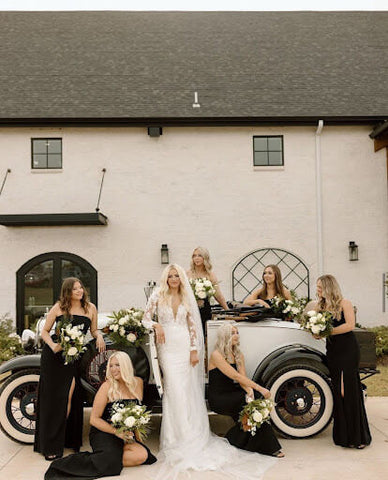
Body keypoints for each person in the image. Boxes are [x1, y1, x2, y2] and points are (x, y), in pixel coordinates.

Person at [142, 264, 277, 480]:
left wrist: (195, 349)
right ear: (166, 278)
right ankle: (176, 439)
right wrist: (156, 326)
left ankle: (191, 435)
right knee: (174, 389)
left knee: (187, 390)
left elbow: (193, 326)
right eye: (171, 276)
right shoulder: (158, 295)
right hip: (167, 348)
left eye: (177, 276)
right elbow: (145, 318)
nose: (174, 279)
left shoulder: (186, 296)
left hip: (186, 347)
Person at [45, 352, 156, 479]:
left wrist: (137, 438)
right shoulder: (107, 386)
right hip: (104, 431)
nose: (113, 369)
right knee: (109, 460)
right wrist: (116, 432)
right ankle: (79, 462)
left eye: (117, 365)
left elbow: (137, 413)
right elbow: (94, 419)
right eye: (111, 366)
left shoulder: (137, 383)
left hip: (125, 433)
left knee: (142, 455)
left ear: (126, 366)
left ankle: (109, 458)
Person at [34, 277, 106, 460]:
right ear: (68, 291)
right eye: (75, 289)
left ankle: (69, 440)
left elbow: (94, 330)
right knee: (55, 401)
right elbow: (44, 331)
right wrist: (53, 346)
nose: (79, 291)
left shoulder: (91, 308)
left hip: (74, 358)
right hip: (54, 358)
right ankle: (51, 445)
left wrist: (99, 336)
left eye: (81, 287)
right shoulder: (59, 307)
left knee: (70, 397)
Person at [311, 274, 371, 449]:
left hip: (348, 350)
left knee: (349, 389)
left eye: (320, 287)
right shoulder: (319, 306)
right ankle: (343, 436)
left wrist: (327, 332)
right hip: (333, 352)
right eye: (317, 287)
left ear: (329, 287)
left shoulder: (345, 303)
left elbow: (349, 325)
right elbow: (314, 329)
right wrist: (315, 332)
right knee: (338, 389)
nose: (318, 290)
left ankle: (358, 436)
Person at [208, 323, 284, 457]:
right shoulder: (216, 355)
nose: (236, 335)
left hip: (233, 391)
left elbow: (242, 378)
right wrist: (258, 388)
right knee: (253, 404)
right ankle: (269, 448)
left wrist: (250, 391)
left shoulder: (238, 354)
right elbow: (234, 375)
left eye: (237, 332)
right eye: (232, 333)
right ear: (224, 336)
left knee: (256, 400)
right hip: (219, 397)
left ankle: (235, 438)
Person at [187, 246, 229, 332]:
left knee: (204, 333)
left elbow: (218, 295)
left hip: (205, 309)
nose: (196, 258)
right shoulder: (187, 274)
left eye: (199, 255)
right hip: (190, 310)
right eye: (194, 256)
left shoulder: (210, 275)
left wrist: (227, 310)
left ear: (205, 258)